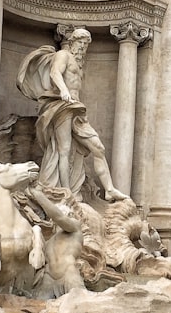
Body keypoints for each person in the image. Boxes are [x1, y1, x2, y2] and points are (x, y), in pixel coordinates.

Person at [16, 28, 127, 201]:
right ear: (72, 42)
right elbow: (54, 73)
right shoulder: (64, 55)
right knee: (64, 150)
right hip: (62, 105)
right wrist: (63, 90)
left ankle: (110, 189)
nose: (82, 47)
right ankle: (66, 192)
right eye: (80, 42)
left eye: (85, 44)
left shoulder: (78, 64)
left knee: (98, 147)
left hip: (76, 109)